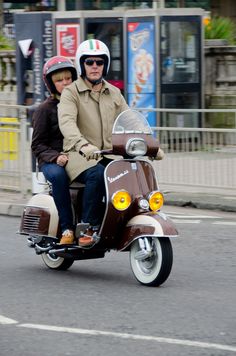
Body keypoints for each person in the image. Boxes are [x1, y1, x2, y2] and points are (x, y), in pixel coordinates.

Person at [58, 39, 164, 247]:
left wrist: (152, 144)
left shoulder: (113, 93)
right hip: (79, 156)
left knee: (133, 171)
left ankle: (125, 220)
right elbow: (67, 123)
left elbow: (131, 118)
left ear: (105, 65)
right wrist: (82, 145)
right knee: (97, 174)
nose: (95, 66)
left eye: (99, 62)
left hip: (109, 154)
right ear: (82, 65)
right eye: (89, 62)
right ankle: (88, 227)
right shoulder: (71, 92)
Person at [31, 56, 88, 245]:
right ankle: (67, 229)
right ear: (51, 84)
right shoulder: (44, 110)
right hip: (51, 161)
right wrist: (56, 157)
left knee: (100, 174)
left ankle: (90, 225)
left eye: (67, 79)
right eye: (59, 80)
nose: (65, 83)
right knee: (58, 176)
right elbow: (37, 145)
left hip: (76, 156)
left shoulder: (80, 104)